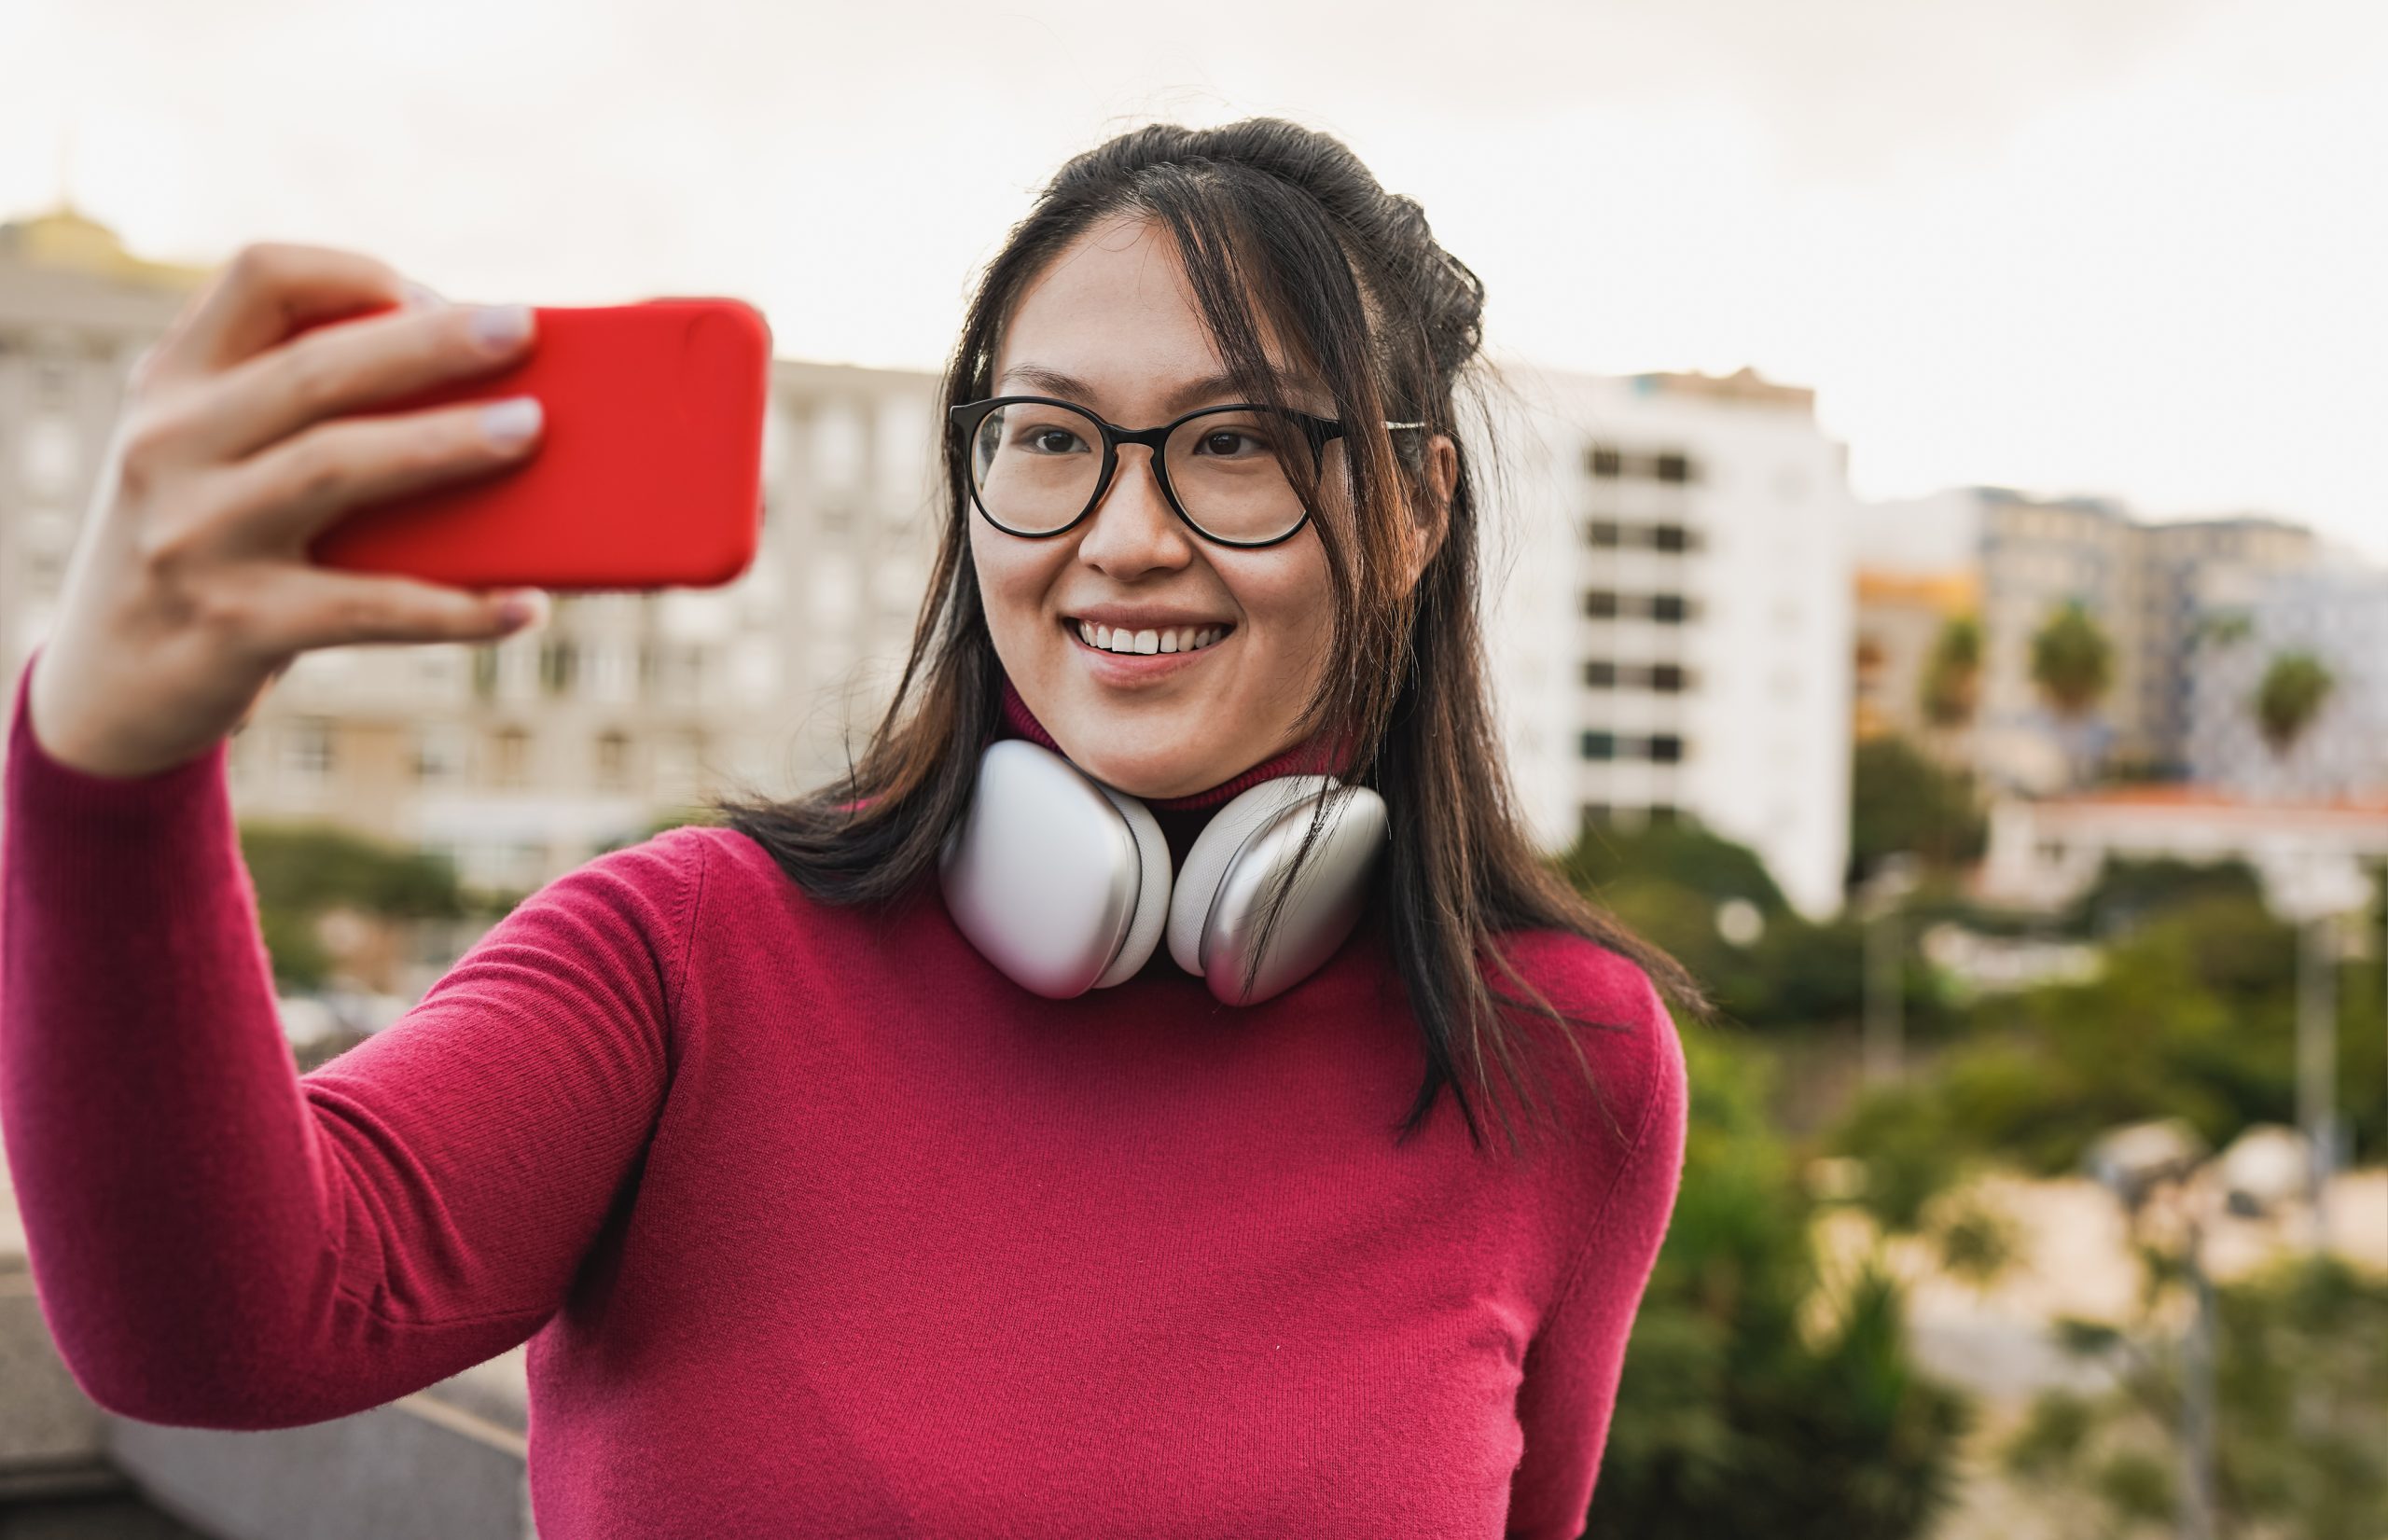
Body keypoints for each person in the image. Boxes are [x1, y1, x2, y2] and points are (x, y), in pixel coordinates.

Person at [1, 118, 1692, 1537]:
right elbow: (206, 1335)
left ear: (1410, 509)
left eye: (1235, 443)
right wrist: (111, 764)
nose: (1119, 537)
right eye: (1047, 438)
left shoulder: (1570, 1057)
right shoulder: (679, 957)